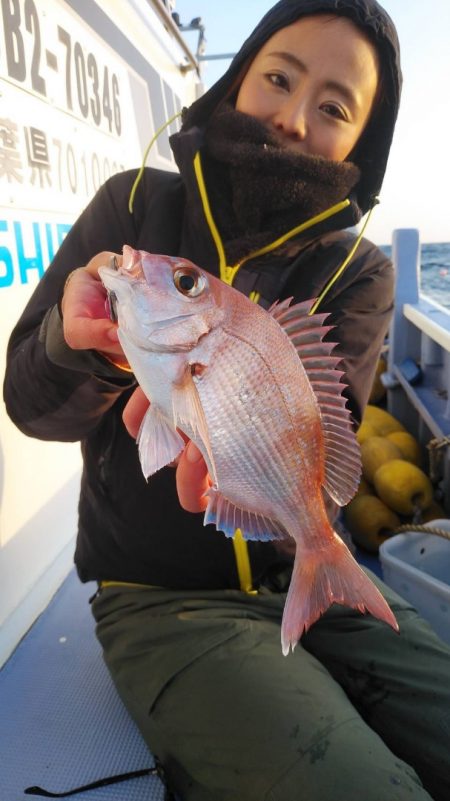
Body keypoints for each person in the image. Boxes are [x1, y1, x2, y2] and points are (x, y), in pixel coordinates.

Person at [4, 1, 450, 799]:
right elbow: (32, 408)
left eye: (334, 107)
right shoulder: (133, 204)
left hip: (308, 565)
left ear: (363, 141)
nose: (293, 116)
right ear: (238, 77)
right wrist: (86, 349)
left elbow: (322, 447)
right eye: (279, 77)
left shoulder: (361, 271)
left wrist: (299, 523)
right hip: (162, 599)